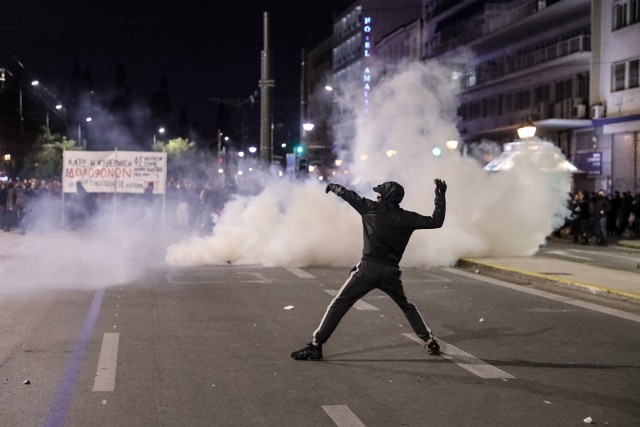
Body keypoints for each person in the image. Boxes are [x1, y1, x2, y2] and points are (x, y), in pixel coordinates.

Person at [291, 179, 447, 360]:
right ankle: (429, 341)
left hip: (367, 269)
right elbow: (436, 221)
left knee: (339, 304)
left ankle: (316, 346)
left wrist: (333, 187)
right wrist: (440, 196)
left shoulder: (370, 207)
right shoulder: (407, 218)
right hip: (391, 272)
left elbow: (349, 195)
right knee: (407, 307)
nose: (377, 195)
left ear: (385, 196)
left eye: (380, 193)